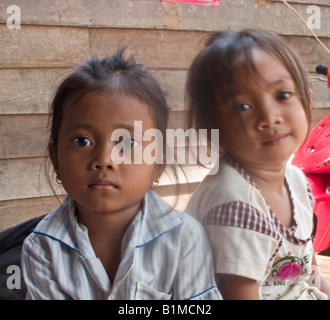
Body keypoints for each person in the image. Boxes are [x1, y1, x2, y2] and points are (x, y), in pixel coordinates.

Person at [21, 47, 221, 300]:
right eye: (82, 141)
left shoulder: (184, 238)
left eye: (127, 143)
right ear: (56, 160)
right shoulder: (43, 247)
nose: (104, 160)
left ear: (157, 163)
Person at [185, 28, 330, 300]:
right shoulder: (234, 203)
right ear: (213, 124)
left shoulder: (296, 180)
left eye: (282, 95)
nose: (269, 117)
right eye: (243, 106)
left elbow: (308, 274)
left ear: (306, 99)